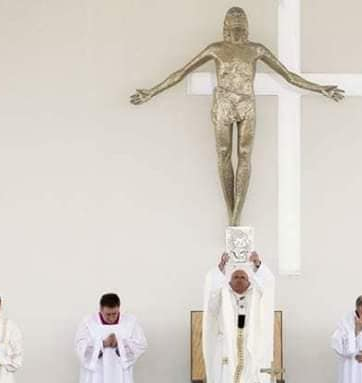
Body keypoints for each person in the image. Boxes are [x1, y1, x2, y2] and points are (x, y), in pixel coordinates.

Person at [130, 7, 344, 226]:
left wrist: (319, 88)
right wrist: (152, 91)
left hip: (246, 104)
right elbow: (182, 72)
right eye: (233, 22)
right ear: (226, 26)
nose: (237, 26)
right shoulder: (216, 49)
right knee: (223, 154)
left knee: (244, 155)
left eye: (241, 21)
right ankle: (231, 213)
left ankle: (236, 216)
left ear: (246, 26)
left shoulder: (256, 50)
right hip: (224, 104)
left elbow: (288, 76)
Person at [201, 251, 275, 383]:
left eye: (243, 277)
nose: (239, 279)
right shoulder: (222, 295)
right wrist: (220, 270)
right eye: (235, 277)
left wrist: (258, 266)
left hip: (251, 356)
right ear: (229, 281)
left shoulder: (256, 296)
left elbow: (268, 285)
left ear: (249, 281)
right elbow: (211, 301)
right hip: (226, 355)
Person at [75, 293, 147, 383]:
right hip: (97, 376)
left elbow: (141, 344)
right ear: (100, 309)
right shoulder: (88, 322)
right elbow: (80, 346)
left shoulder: (130, 322)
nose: (112, 318)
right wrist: (103, 343)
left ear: (119, 308)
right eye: (108, 314)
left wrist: (120, 343)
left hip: (120, 375)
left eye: (115, 313)